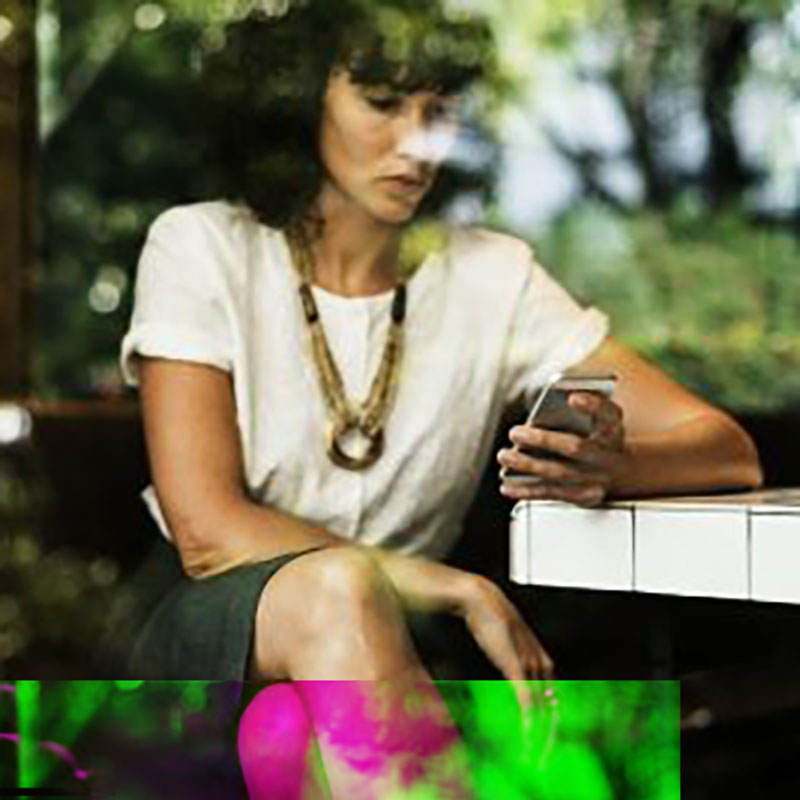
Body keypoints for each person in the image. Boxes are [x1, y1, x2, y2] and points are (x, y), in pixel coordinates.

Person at [111, 0, 762, 796]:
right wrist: (454, 587)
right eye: (382, 103)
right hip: (198, 633)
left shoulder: (492, 275)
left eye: (438, 112)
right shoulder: (201, 245)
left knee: (283, 733)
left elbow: (727, 449)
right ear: (295, 99)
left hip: (379, 660)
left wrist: (611, 467)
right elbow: (210, 533)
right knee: (338, 592)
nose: (415, 140)